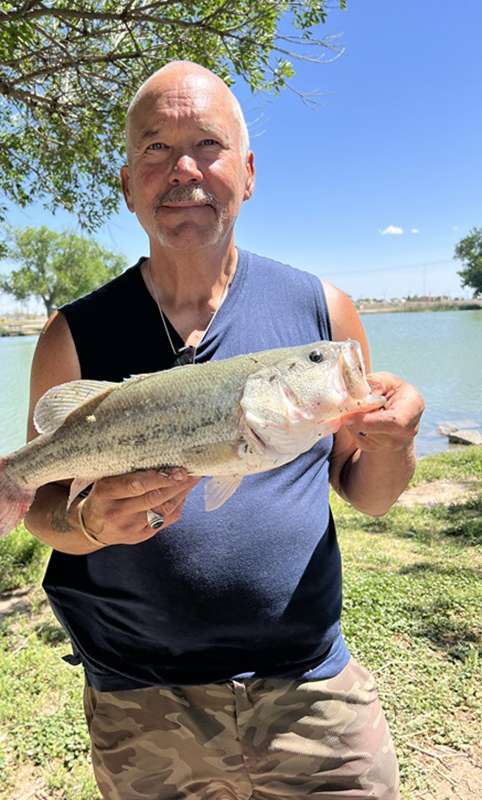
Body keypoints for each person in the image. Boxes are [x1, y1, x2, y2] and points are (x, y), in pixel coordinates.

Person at [24, 61, 424, 800]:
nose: (182, 168)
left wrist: (394, 443)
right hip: (141, 705)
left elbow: (368, 495)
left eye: (207, 143)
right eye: (154, 148)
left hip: (310, 688)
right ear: (126, 183)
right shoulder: (71, 336)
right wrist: (89, 520)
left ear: (247, 171)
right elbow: (42, 512)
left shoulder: (322, 313)